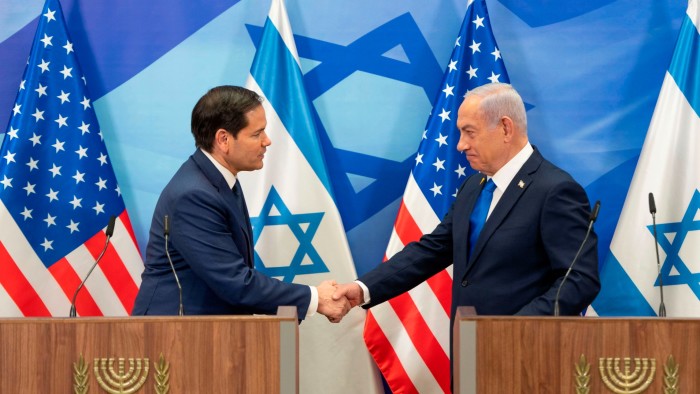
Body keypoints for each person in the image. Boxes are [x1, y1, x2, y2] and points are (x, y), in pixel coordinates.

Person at [334, 83, 600, 321]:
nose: (461, 145)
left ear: (506, 128)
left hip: (522, 355)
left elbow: (579, 279)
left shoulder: (554, 189)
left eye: (470, 132)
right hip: (467, 347)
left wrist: (513, 330)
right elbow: (433, 250)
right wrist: (362, 289)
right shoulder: (474, 186)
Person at [132, 85, 349, 321]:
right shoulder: (194, 195)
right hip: (172, 337)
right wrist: (316, 298)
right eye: (257, 134)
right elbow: (235, 283)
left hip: (210, 334)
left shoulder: (220, 180)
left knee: (284, 350)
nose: (267, 141)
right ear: (224, 139)